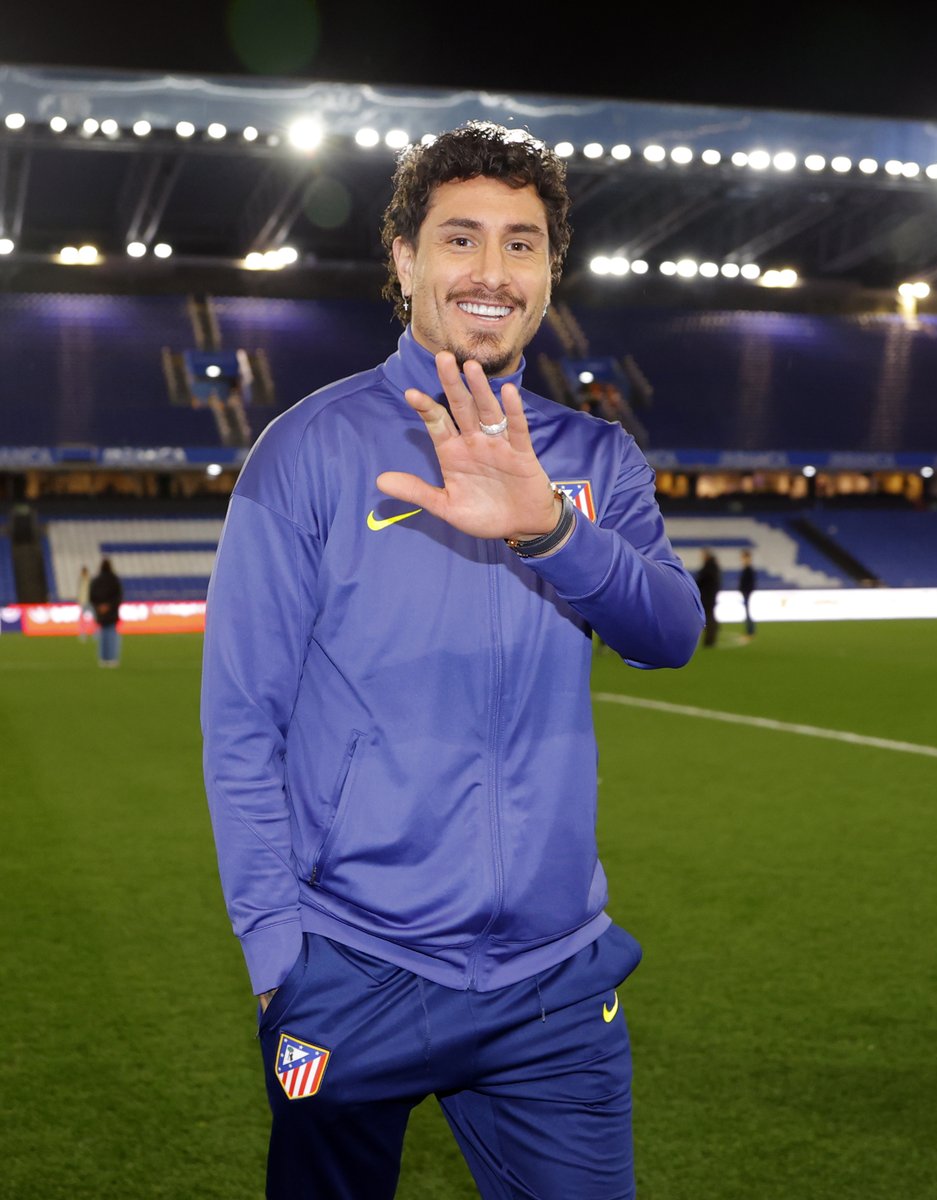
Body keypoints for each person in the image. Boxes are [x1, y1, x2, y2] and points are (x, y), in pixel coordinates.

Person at [201, 121, 705, 1200]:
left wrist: (551, 531)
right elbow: (243, 721)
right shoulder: (307, 450)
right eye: (460, 238)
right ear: (405, 259)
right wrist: (278, 960)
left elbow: (670, 634)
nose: (491, 271)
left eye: (522, 244)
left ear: (551, 273)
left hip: (553, 984)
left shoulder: (595, 457)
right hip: (355, 964)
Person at [89, 557, 122, 666]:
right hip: (112, 611)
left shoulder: (96, 580)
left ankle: (103, 658)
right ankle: (112, 658)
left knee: (103, 635)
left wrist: (99, 606)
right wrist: (109, 605)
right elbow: (118, 596)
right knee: (112, 634)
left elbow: (92, 596)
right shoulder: (114, 580)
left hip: (100, 612)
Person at [695, 547, 721, 647]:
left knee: (708, 617)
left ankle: (709, 640)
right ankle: (710, 639)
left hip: (707, 596)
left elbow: (702, 580)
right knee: (709, 616)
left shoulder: (709, 567)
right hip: (710, 595)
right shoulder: (713, 566)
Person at [738, 548, 757, 641]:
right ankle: (750, 631)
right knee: (747, 613)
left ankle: (750, 632)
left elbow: (750, 583)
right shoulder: (746, 569)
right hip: (745, 593)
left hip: (747, 593)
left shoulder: (749, 569)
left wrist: (746, 591)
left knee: (748, 613)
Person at [76, 564, 94, 641]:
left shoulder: (90, 580)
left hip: (90, 602)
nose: (83, 573)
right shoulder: (81, 581)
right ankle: (83, 634)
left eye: (84, 572)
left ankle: (95, 634)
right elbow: (80, 592)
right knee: (82, 620)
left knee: (94, 619)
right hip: (83, 602)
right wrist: (79, 600)